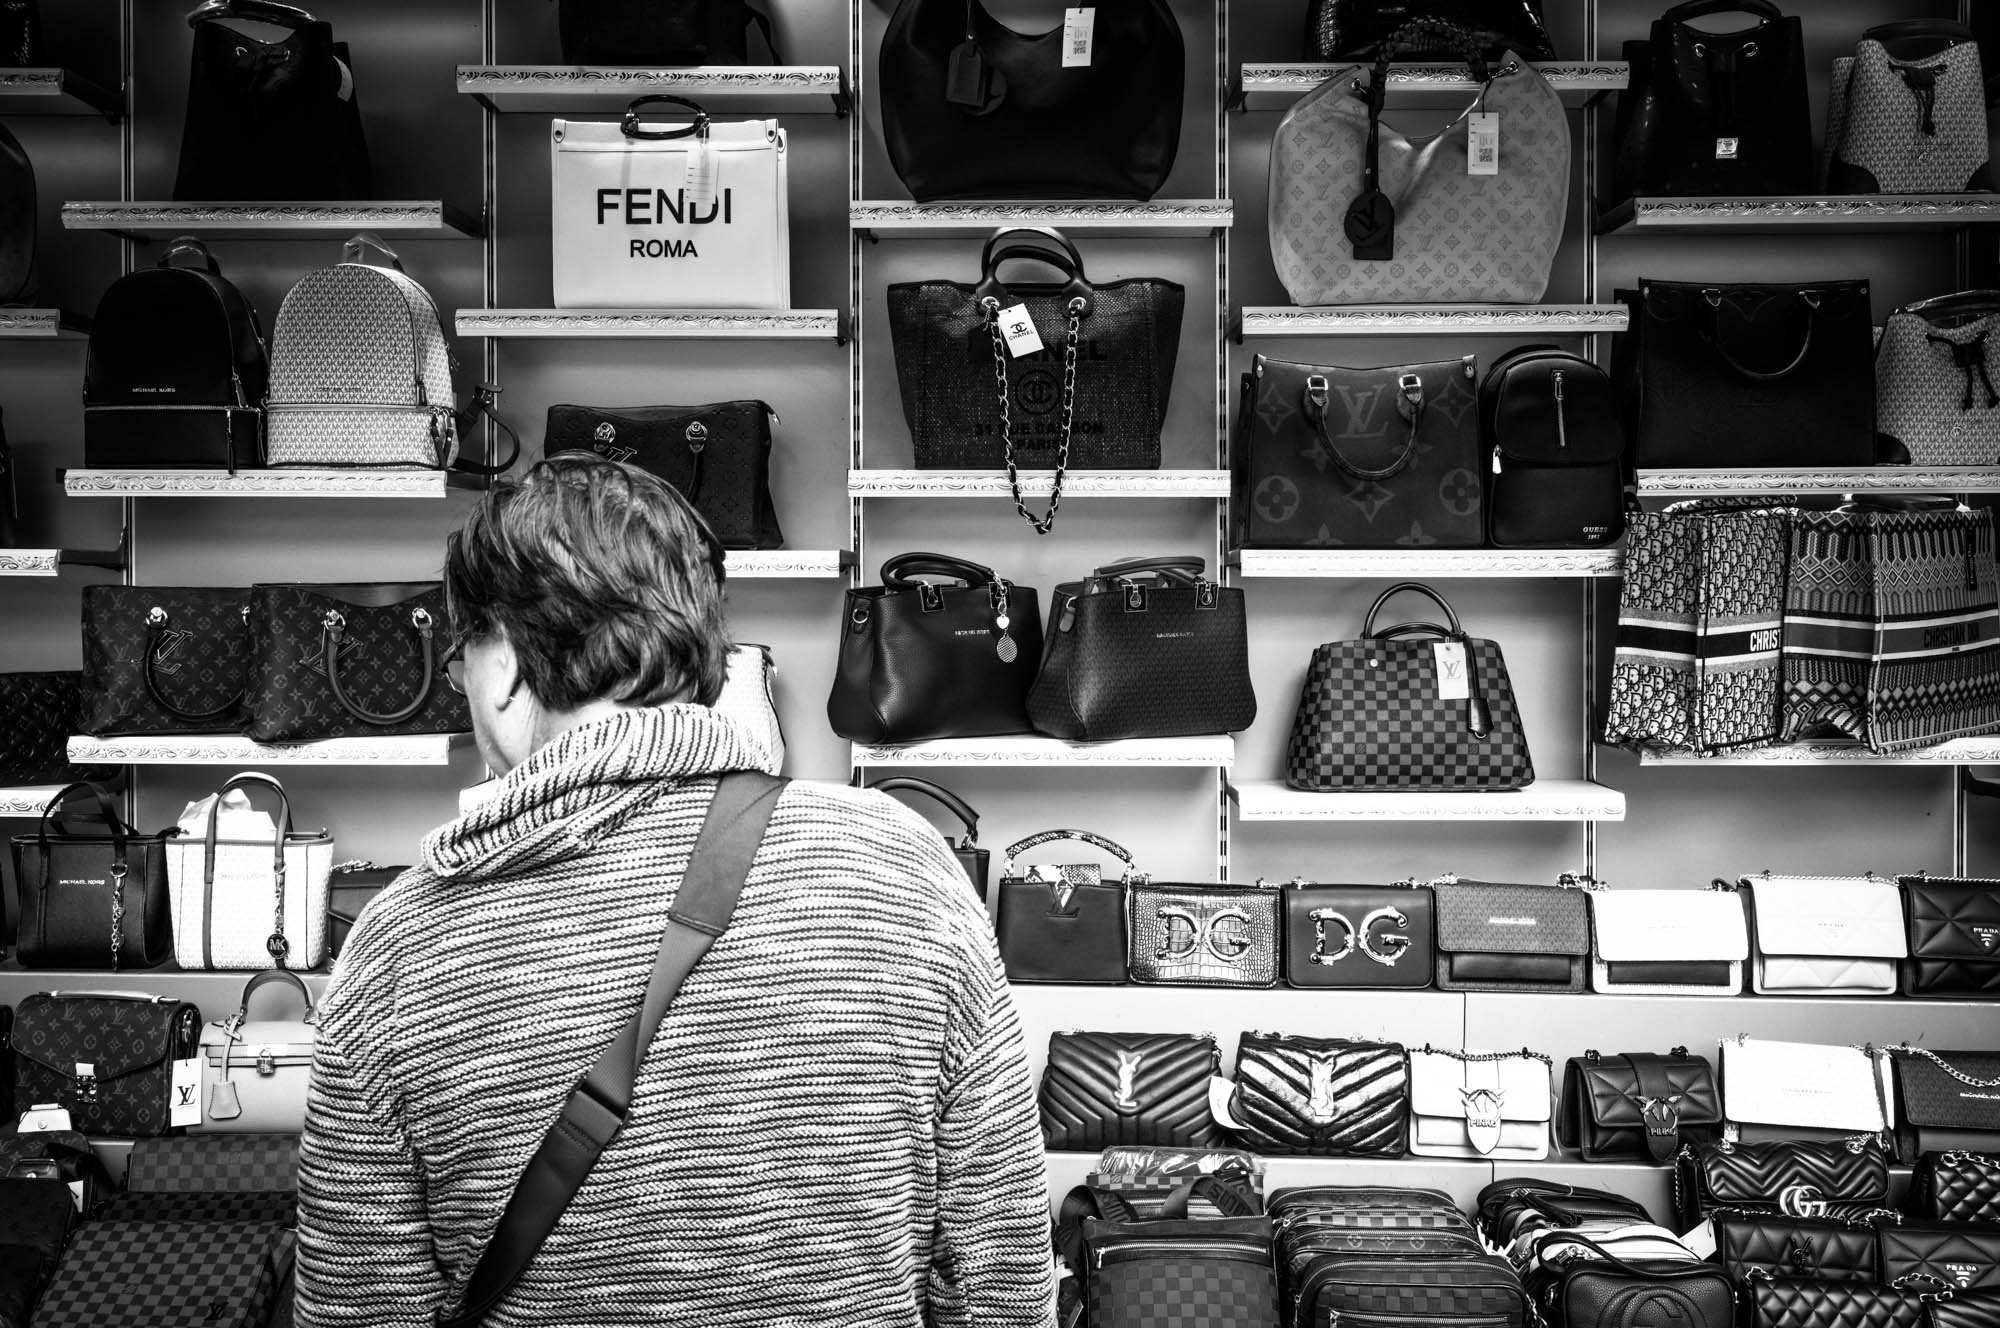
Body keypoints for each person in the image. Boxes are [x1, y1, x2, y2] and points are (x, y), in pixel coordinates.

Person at [295, 454, 1057, 1328]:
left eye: (466, 652)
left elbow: (360, 1310)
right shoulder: (903, 865)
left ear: (503, 659)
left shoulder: (401, 946)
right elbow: (1002, 1271)